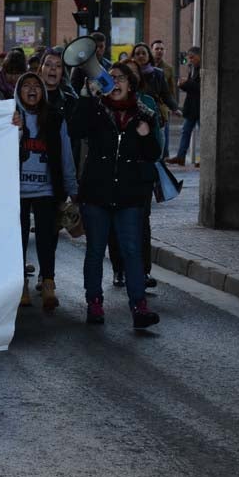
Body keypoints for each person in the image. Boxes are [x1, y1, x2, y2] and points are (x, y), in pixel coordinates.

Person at [67, 62, 161, 330]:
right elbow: (75, 130)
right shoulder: (96, 110)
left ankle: (139, 306)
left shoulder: (144, 114)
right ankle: (94, 302)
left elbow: (153, 154)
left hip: (130, 196)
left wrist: (145, 136)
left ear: (131, 84)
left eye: (121, 78)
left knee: (132, 251)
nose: (115, 83)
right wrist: (87, 97)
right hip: (97, 193)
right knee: (96, 250)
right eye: (111, 78)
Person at [14, 71, 78, 311]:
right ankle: (20, 283)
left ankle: (48, 281)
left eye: (36, 86)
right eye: (26, 85)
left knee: (46, 238)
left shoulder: (54, 118)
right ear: (18, 92)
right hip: (15, 191)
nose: (32, 90)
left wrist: (72, 188)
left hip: (47, 190)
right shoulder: (10, 117)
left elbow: (66, 155)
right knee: (17, 239)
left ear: (43, 92)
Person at [168, 46, 201, 166]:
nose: (190, 60)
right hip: (191, 106)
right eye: (189, 58)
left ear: (199, 56)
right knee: (185, 131)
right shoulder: (191, 68)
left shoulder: (203, 69)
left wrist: (186, 83)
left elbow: (200, 88)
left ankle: (204, 158)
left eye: (192, 57)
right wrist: (182, 85)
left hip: (200, 107)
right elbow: (191, 87)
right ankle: (181, 156)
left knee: (203, 133)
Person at [151, 39, 177, 156]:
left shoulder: (168, 68)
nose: (159, 51)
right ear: (152, 50)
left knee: (163, 133)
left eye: (162, 49)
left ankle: (163, 156)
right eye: (157, 49)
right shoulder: (146, 66)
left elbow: (171, 90)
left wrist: (172, 106)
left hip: (162, 107)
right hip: (148, 104)